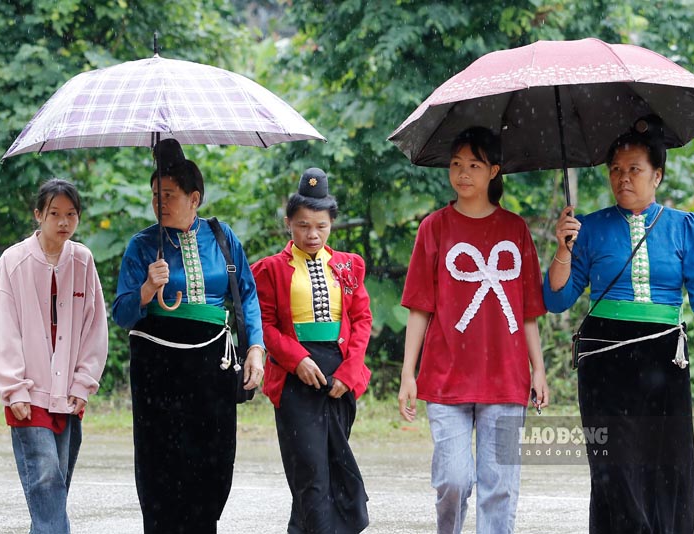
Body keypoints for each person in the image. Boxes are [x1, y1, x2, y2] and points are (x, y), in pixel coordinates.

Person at [543, 116, 694, 534]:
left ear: (657, 175)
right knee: (615, 466)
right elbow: (557, 299)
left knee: (669, 464)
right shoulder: (588, 228)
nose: (622, 178)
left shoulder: (684, 227)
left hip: (664, 360)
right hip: (604, 362)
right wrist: (563, 248)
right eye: (615, 170)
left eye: (634, 170)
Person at [398, 127, 548, 534]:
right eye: (456, 165)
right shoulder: (434, 228)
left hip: (505, 375)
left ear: (494, 171)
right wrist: (408, 373)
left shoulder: (515, 230)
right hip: (446, 377)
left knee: (499, 486)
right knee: (453, 480)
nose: (463, 174)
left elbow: (529, 310)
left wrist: (539, 369)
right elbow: (419, 309)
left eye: (474, 165)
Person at [112, 139, 265, 534]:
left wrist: (256, 349)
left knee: (213, 456)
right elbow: (122, 313)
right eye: (155, 195)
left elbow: (246, 293)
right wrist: (147, 289)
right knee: (161, 461)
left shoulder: (221, 236)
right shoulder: (142, 245)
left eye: (169, 195)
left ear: (194, 198)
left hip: (212, 364)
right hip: (158, 368)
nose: (159, 203)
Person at [251, 168, 372, 534]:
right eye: (303, 225)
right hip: (294, 380)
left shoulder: (350, 266)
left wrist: (350, 373)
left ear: (332, 223)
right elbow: (265, 327)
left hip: (338, 379)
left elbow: (362, 319)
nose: (312, 234)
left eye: (321, 225)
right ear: (289, 223)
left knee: (332, 467)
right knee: (310, 471)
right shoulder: (269, 269)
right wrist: (296, 359)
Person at [0, 178, 109, 534]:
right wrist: (13, 388)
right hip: (28, 390)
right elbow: (1, 327)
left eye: (71, 214)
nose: (63, 222)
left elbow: (94, 326)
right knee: (44, 481)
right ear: (38, 215)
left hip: (69, 392)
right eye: (54, 213)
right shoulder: (13, 261)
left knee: (56, 487)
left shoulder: (83, 260)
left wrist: (84, 382)